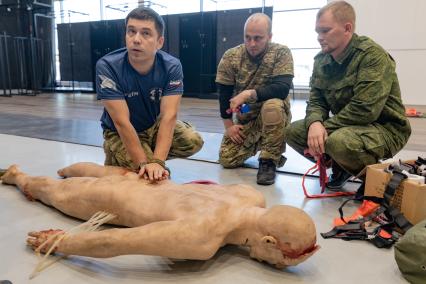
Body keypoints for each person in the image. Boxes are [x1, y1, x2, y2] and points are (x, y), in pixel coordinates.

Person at [0, 162, 319, 268]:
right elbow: (117, 242)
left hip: (144, 180)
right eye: (278, 260)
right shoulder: (202, 237)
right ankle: (18, 175)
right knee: (52, 191)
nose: (274, 264)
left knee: (92, 173)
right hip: (111, 199)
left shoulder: (252, 195)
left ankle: (71, 168)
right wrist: (64, 244)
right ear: (267, 240)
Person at [286, 1, 411, 189]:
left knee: (338, 142)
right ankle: (342, 166)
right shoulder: (322, 60)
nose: (319, 38)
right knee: (294, 132)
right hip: (348, 127)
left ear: (347, 28)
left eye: (325, 31)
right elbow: (317, 100)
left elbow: (365, 110)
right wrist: (314, 123)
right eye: (317, 32)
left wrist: (323, 128)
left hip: (386, 128)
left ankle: (377, 184)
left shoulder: (371, 56)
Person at [96, 7, 203, 182]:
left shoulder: (172, 66)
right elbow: (121, 122)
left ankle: (137, 156)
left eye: (146, 33)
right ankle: (115, 152)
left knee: (193, 140)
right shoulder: (108, 66)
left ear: (159, 42)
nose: (136, 39)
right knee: (149, 178)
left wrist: (158, 162)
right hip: (118, 131)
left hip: (152, 125)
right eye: (131, 31)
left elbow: (169, 115)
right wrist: (144, 164)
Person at [215, 13, 294, 185]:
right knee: (227, 159)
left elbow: (282, 88)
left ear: (270, 37)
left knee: (272, 106)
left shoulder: (281, 53)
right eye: (248, 37)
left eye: (258, 38)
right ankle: (264, 142)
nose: (252, 44)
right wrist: (229, 126)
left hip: (274, 115)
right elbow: (224, 94)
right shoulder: (231, 56)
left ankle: (269, 159)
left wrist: (248, 94)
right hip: (248, 118)